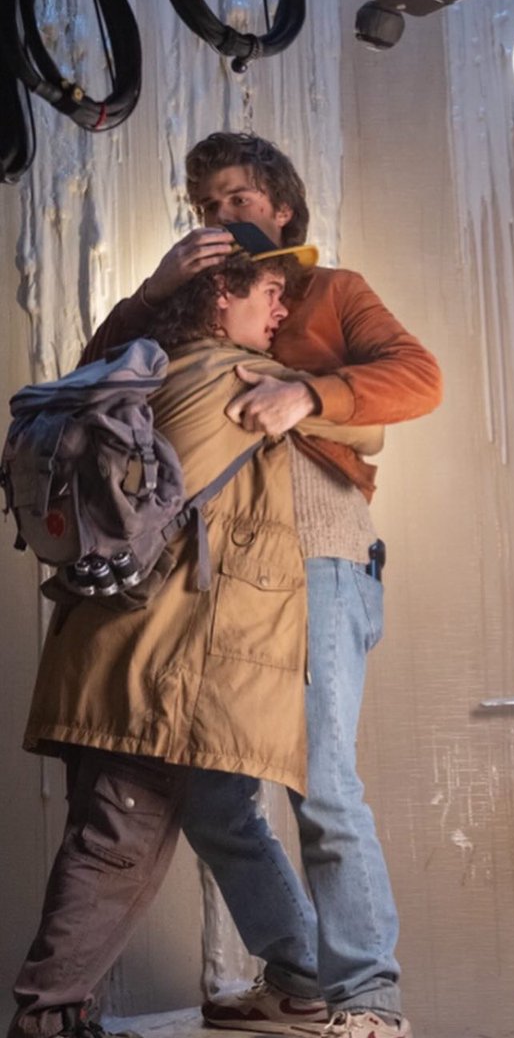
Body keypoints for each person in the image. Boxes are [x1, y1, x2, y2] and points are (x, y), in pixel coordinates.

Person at [80, 132, 444, 1038]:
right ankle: (298, 978)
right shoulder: (195, 305)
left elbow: (418, 377)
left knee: (320, 783)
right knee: (209, 791)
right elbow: (95, 382)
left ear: (281, 207)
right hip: (222, 570)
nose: (221, 218)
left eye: (239, 200)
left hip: (317, 554)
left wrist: (307, 398)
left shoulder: (332, 292)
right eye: (206, 206)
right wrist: (155, 290)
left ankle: (370, 1001)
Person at [9, 249, 383, 1038]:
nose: (280, 313)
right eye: (271, 295)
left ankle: (286, 979)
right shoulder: (230, 379)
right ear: (220, 293)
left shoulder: (148, 367)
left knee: (111, 839)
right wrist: (307, 394)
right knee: (115, 849)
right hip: (161, 659)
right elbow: (372, 426)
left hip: (112, 648)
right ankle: (45, 1019)